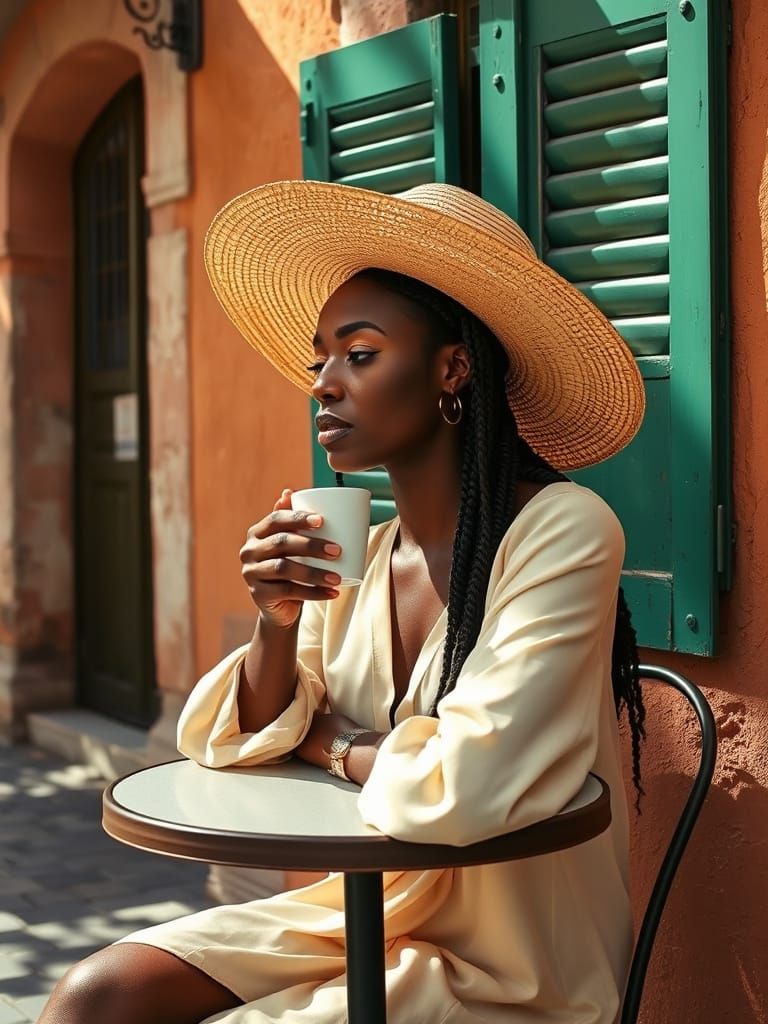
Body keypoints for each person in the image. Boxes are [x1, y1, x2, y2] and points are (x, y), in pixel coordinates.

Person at [40, 181, 647, 1024]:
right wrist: (275, 624)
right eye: (319, 359)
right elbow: (248, 741)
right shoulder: (362, 551)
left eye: (359, 355)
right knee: (94, 996)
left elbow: (460, 789)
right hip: (355, 918)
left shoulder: (563, 533)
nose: (324, 383)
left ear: (451, 368)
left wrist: (329, 740)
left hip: (508, 958)